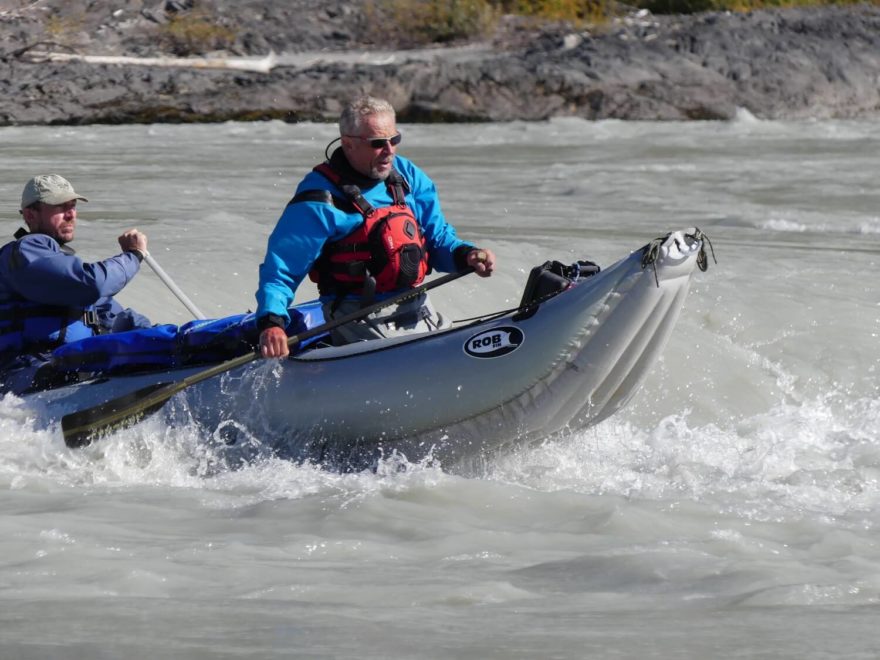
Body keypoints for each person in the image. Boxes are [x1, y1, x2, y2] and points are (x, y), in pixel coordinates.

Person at [256, 96, 496, 358]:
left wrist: (467, 255)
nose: (390, 150)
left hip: (418, 307)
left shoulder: (407, 175)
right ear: (348, 144)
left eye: (394, 140)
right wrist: (272, 324)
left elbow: (438, 239)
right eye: (378, 143)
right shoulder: (320, 199)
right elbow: (281, 271)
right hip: (356, 320)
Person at [0, 174, 152, 392]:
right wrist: (133, 255)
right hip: (21, 376)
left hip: (68, 367)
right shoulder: (25, 254)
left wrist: (172, 340)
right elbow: (93, 284)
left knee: (148, 351)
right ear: (30, 215)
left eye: (72, 206)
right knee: (75, 371)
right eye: (60, 207)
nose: (71, 214)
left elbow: (117, 319)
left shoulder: (63, 267)